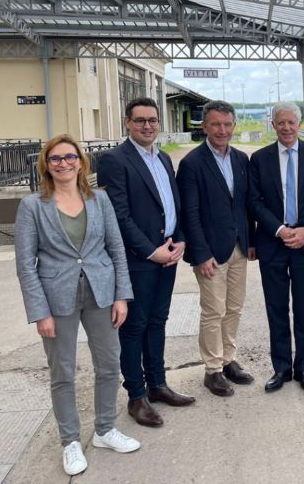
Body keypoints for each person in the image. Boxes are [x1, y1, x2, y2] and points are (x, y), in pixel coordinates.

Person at [15, 135, 140, 476]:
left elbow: (116, 249)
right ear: (47, 165)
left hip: (101, 293)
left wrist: (121, 295)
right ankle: (70, 441)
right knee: (63, 372)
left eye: (70, 157)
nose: (64, 163)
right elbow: (25, 264)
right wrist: (39, 312)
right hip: (57, 299)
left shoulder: (99, 199)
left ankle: (104, 430)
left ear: (81, 162)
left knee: (109, 364)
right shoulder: (32, 206)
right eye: (55, 159)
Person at [97, 98, 195, 428]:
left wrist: (180, 237)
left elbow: (173, 205)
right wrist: (152, 251)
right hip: (139, 261)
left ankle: (157, 384)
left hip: (167, 255)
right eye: (140, 120)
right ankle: (136, 396)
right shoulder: (115, 160)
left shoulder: (164, 158)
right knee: (134, 327)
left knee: (158, 322)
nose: (148, 126)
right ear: (127, 123)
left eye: (153, 120)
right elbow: (119, 217)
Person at [249, 101, 304, 392]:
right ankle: (281, 369)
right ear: (273, 125)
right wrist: (281, 229)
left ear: (299, 123)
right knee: (276, 308)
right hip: (273, 243)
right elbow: (254, 201)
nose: (286, 127)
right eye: (280, 122)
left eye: (291, 122)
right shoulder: (259, 159)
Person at [176, 100, 257, 397]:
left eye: (227, 124)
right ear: (204, 127)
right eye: (215, 125)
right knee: (214, 310)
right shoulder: (192, 163)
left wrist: (252, 241)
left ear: (234, 126)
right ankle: (212, 370)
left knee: (234, 307)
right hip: (210, 252)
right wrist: (200, 253)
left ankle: (228, 359)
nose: (222, 130)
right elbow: (190, 213)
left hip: (238, 247)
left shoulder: (240, 159)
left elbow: (245, 205)